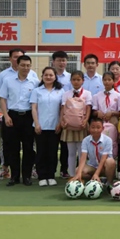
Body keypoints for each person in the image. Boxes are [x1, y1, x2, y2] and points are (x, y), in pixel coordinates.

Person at [0, 48, 38, 181]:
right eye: (23, 65)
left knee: (28, 148)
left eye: (28, 65)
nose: (25, 68)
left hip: (28, 117)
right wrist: (6, 116)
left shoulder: (34, 81)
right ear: (17, 65)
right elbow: (2, 98)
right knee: (13, 148)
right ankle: (14, 177)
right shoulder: (8, 80)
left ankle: (27, 176)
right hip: (12, 116)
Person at [30, 67, 64, 187]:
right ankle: (42, 176)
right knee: (41, 152)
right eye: (46, 75)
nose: (48, 77)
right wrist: (36, 123)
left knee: (53, 152)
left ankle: (51, 175)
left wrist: (60, 123)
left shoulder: (61, 91)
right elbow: (34, 108)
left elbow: (62, 109)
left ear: (55, 77)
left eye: (51, 75)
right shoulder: (37, 91)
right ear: (42, 76)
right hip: (41, 126)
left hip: (55, 126)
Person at [60, 71, 93, 177]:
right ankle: (71, 174)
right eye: (74, 79)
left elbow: (88, 108)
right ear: (70, 81)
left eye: (78, 79)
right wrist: (62, 121)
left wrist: (86, 120)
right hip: (69, 126)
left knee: (82, 151)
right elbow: (63, 109)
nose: (76, 82)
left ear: (83, 81)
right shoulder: (66, 94)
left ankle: (80, 174)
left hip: (82, 125)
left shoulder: (87, 93)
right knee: (71, 152)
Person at [72, 117, 116, 186]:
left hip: (104, 167)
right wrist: (78, 173)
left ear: (102, 128)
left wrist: (96, 174)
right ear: (89, 128)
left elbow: (103, 158)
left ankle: (109, 183)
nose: (95, 130)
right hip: (93, 166)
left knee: (110, 161)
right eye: (93, 127)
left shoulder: (108, 140)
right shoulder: (85, 140)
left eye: (98, 127)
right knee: (78, 170)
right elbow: (83, 157)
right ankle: (94, 181)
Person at [52, 50, 72, 178]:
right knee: (52, 145)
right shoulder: (49, 76)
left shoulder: (70, 77)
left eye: (63, 60)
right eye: (59, 60)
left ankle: (64, 169)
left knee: (66, 145)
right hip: (52, 115)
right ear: (53, 62)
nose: (61, 63)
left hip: (67, 116)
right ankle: (50, 170)